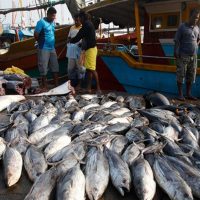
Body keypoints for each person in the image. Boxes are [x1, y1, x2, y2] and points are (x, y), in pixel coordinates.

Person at [70, 11, 101, 94]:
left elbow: (78, 37)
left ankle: (98, 89)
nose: (78, 19)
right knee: (89, 70)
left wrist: (71, 40)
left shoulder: (86, 25)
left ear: (82, 17)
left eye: (79, 18)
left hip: (91, 49)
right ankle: (88, 88)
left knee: (92, 69)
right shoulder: (88, 24)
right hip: (90, 49)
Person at [174, 9, 200, 101]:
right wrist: (176, 51)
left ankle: (188, 94)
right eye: (194, 17)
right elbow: (177, 40)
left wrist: (196, 44)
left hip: (194, 56)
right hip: (183, 55)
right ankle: (180, 95)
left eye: (197, 18)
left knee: (191, 75)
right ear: (190, 16)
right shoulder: (182, 27)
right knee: (181, 75)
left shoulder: (197, 28)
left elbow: (198, 39)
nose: (196, 20)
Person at [34, 6, 59, 92]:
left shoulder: (52, 22)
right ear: (47, 14)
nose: (53, 18)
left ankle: (56, 85)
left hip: (52, 48)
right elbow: (36, 34)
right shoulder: (41, 22)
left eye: (54, 16)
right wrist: (40, 42)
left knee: (55, 66)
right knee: (43, 68)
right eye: (52, 16)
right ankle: (44, 86)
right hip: (43, 48)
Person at [66, 14, 83, 90]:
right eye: (75, 20)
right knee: (70, 68)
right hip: (71, 50)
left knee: (80, 68)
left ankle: (80, 84)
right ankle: (71, 84)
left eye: (77, 20)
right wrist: (68, 44)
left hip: (79, 50)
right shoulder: (71, 27)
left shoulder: (83, 28)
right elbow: (69, 37)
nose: (76, 22)